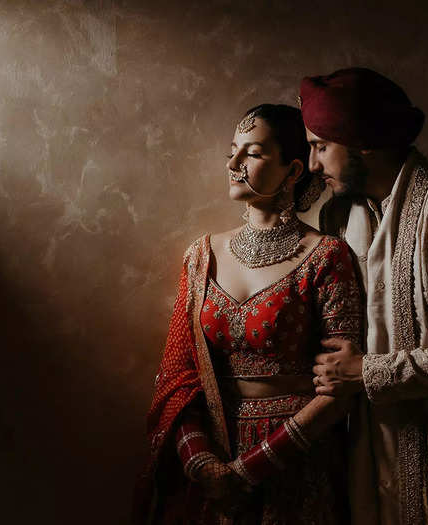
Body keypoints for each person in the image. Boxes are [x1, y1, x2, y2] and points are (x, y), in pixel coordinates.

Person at [134, 104, 364, 524]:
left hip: (296, 460)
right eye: (232, 152)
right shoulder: (201, 255)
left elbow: (341, 387)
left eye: (252, 153)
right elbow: (177, 377)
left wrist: (250, 469)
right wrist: (203, 464)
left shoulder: (326, 256)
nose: (233, 165)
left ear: (294, 171)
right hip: (211, 453)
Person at [301, 67, 428, 525]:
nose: (313, 164)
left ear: (364, 142)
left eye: (321, 147)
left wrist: (366, 372)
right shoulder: (338, 216)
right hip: (368, 452)